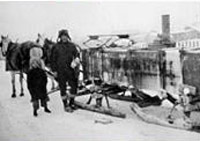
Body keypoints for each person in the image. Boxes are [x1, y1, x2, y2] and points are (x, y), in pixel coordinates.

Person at [50, 29, 80, 112]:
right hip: (60, 70)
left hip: (70, 70)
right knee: (62, 87)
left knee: (74, 86)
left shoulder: (72, 46)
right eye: (62, 36)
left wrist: (76, 60)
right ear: (60, 37)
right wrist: (54, 71)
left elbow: (77, 55)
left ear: (68, 37)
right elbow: (52, 59)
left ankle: (71, 103)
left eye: (65, 36)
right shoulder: (56, 47)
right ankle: (65, 105)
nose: (64, 38)